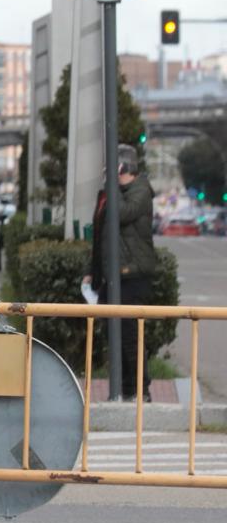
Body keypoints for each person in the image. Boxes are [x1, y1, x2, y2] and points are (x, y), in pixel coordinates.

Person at [82, 144, 158, 402]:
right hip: (112, 276)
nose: (106, 173)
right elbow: (101, 235)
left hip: (132, 275)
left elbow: (122, 214)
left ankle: (139, 390)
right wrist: (92, 272)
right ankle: (123, 388)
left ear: (123, 167)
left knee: (128, 335)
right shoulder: (110, 193)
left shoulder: (141, 191)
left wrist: (111, 187)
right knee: (112, 332)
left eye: (110, 168)